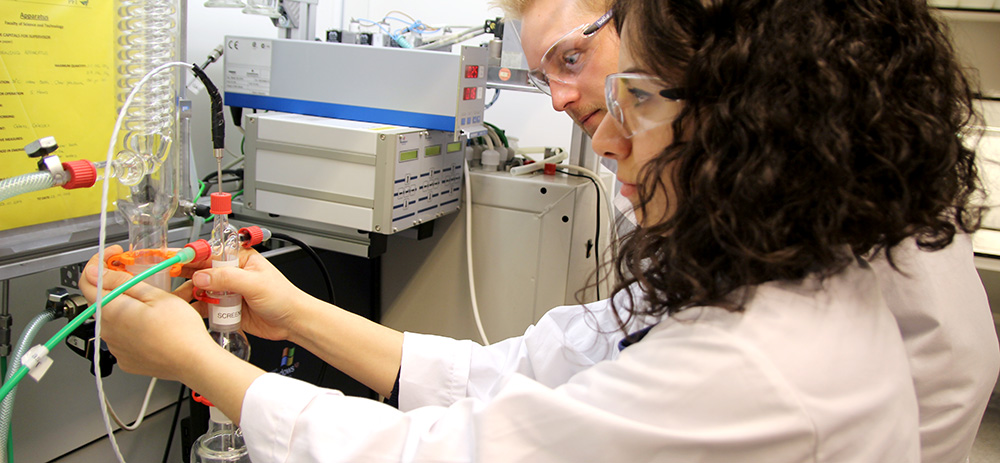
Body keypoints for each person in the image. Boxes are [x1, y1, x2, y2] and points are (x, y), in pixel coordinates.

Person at [81, 0, 993, 461]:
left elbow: (452, 453)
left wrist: (199, 363)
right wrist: (294, 312)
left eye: (638, 95)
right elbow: (530, 370)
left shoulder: (761, 363)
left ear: (758, 112)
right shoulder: (773, 270)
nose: (609, 133)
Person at [507, 0, 1000, 461]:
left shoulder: (788, 320)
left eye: (571, 58)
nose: (559, 99)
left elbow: (950, 359)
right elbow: (625, 326)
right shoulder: (730, 202)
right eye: (544, 78)